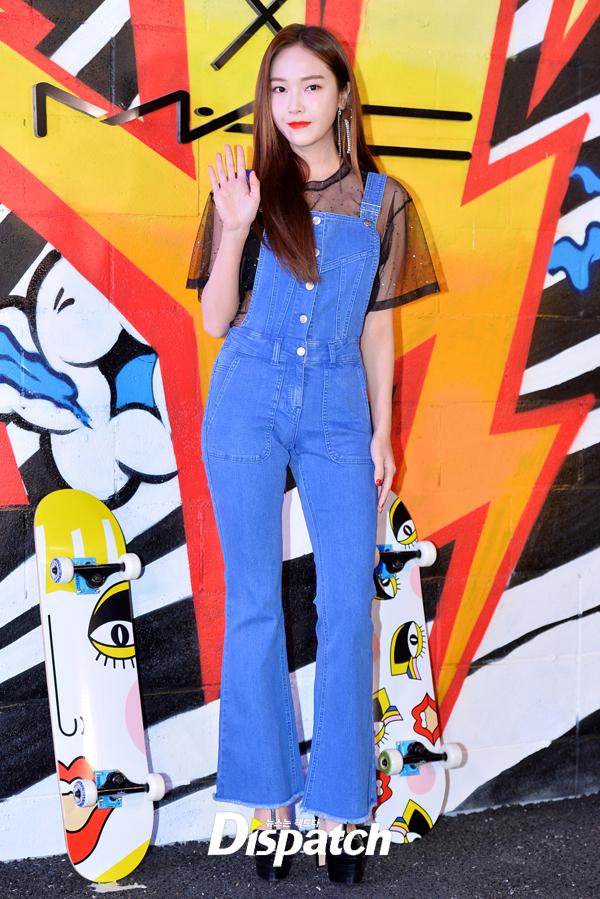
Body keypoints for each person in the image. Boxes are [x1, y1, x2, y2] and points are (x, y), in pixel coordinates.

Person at [186, 22, 440, 885]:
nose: (292, 104)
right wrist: (234, 228)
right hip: (247, 397)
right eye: (279, 88)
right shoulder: (246, 190)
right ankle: (269, 806)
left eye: (311, 87)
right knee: (255, 602)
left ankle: (341, 809)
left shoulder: (382, 199)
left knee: (347, 607)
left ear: (341, 97)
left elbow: (379, 326)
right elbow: (215, 320)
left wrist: (382, 431)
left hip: (336, 407)